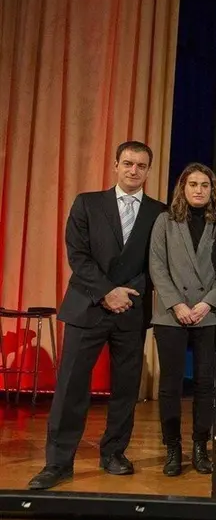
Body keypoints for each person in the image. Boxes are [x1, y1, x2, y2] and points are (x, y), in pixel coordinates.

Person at [29, 142, 166, 490]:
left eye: (141, 165)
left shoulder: (160, 212)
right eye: (128, 163)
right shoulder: (87, 203)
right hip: (87, 306)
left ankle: (114, 453)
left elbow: (158, 263)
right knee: (71, 387)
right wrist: (107, 292)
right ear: (115, 165)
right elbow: (78, 255)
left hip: (131, 309)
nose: (134, 170)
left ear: (148, 171)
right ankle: (58, 462)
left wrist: (125, 294)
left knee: (126, 388)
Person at [148, 163, 216, 476]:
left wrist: (208, 303)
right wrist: (176, 303)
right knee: (170, 384)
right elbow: (157, 265)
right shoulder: (165, 220)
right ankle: (172, 448)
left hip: (206, 312)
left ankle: (200, 446)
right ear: (182, 187)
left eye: (205, 185)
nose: (199, 190)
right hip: (171, 313)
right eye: (193, 184)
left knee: (206, 383)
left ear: (212, 190)